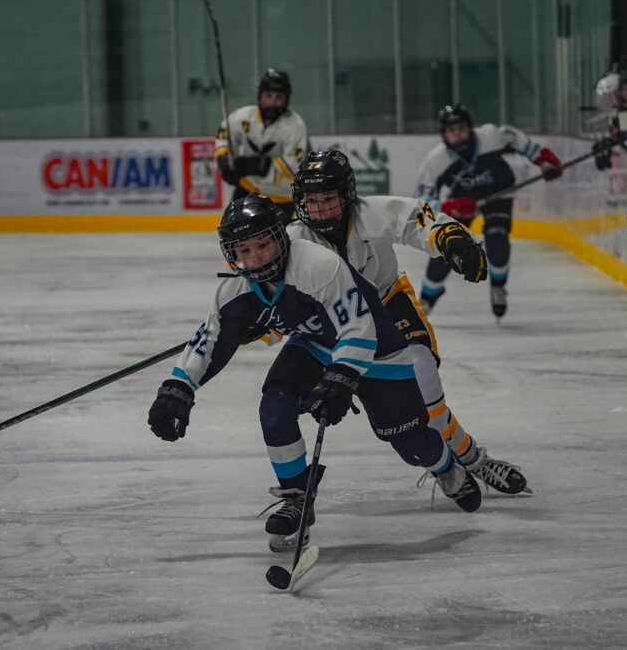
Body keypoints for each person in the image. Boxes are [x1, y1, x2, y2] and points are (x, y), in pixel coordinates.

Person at [147, 195, 483, 550]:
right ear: (231, 254)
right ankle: (296, 498)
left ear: (281, 237)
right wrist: (178, 385)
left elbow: (358, 328)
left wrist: (341, 376)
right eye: (243, 250)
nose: (256, 257)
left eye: (263, 244)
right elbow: (210, 339)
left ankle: (447, 467)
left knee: (410, 443)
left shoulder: (318, 265)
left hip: (382, 350)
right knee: (275, 404)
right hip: (317, 345)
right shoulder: (235, 290)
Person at [282, 149, 529, 501]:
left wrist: (451, 239)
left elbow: (417, 220)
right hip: (334, 324)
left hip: (388, 302)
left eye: (329, 199)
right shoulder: (294, 238)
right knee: (404, 415)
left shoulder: (371, 213)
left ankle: (473, 459)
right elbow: (272, 288)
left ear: (348, 195)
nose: (320, 209)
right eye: (312, 200)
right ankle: (444, 459)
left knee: (424, 380)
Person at [415, 104, 564, 320]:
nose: (457, 134)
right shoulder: (436, 161)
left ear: (470, 128)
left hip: (498, 192)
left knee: (497, 236)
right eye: (451, 130)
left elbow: (516, 139)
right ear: (444, 134)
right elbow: (423, 202)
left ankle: (498, 287)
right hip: (462, 200)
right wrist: (450, 207)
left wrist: (542, 159)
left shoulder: (491, 137)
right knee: (447, 246)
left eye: (461, 128)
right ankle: (428, 298)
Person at [214, 69, 309, 219]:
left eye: (279, 97)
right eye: (268, 96)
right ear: (260, 96)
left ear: (287, 99)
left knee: (274, 240)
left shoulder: (295, 126)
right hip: (248, 187)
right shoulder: (243, 116)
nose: (272, 102)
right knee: (233, 232)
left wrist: (260, 166)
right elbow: (224, 135)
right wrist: (224, 158)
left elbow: (294, 166)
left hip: (282, 196)